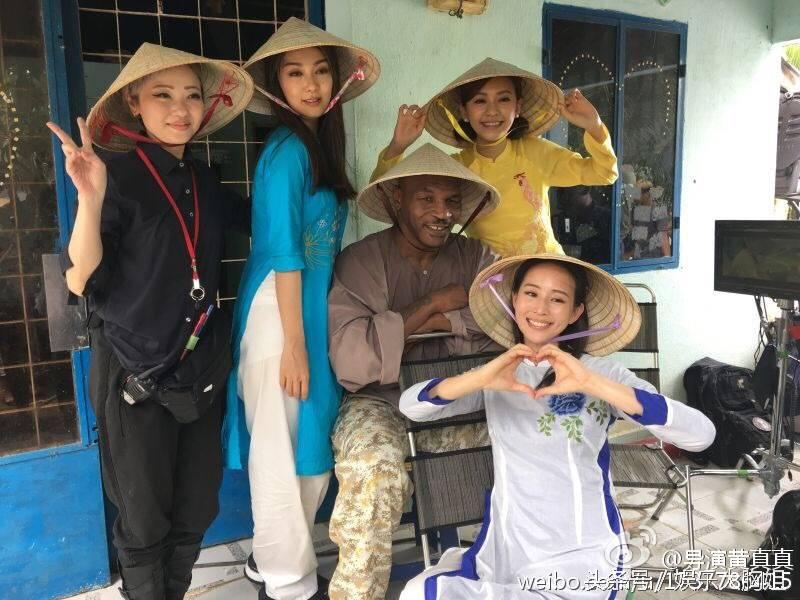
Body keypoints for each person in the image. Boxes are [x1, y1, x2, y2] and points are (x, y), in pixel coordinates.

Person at [47, 43, 253, 599]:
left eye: (191, 95)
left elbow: (271, 221)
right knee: (143, 523)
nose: (180, 109)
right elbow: (80, 278)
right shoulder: (115, 176)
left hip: (198, 371)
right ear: (134, 104)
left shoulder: (205, 181)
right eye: (163, 95)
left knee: (196, 509)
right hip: (133, 376)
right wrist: (90, 198)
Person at [398, 253, 716, 599]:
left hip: (582, 551)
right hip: (507, 546)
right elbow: (411, 407)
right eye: (531, 293)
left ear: (576, 312)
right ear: (514, 299)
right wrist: (480, 378)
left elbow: (702, 435)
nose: (541, 308)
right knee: (417, 592)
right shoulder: (498, 373)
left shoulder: (604, 373)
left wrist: (591, 383)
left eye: (558, 299)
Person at [221, 18, 380, 600]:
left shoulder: (319, 145)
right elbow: (287, 253)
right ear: (277, 85)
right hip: (278, 315)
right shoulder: (286, 152)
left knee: (309, 443)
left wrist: (394, 149)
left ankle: (267, 562)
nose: (310, 84)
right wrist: (292, 344)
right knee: (280, 453)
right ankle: (288, 584)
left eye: (320, 72)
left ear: (336, 81)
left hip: (309, 314)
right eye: (295, 73)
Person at [326, 143, 502, 600]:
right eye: (427, 198)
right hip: (379, 402)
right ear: (396, 200)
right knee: (373, 471)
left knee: (538, 441)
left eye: (451, 201)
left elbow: (503, 331)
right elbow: (352, 360)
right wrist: (433, 303)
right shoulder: (362, 260)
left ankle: (526, 579)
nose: (442, 213)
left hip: (457, 401)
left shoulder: (478, 258)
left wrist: (420, 326)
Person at [372, 57, 619, 257]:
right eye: (480, 101)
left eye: (503, 99)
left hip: (546, 275)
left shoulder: (535, 152)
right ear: (464, 112)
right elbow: (389, 199)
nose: (492, 111)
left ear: (518, 107)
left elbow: (605, 173)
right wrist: (397, 146)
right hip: (492, 283)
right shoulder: (457, 168)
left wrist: (595, 126)